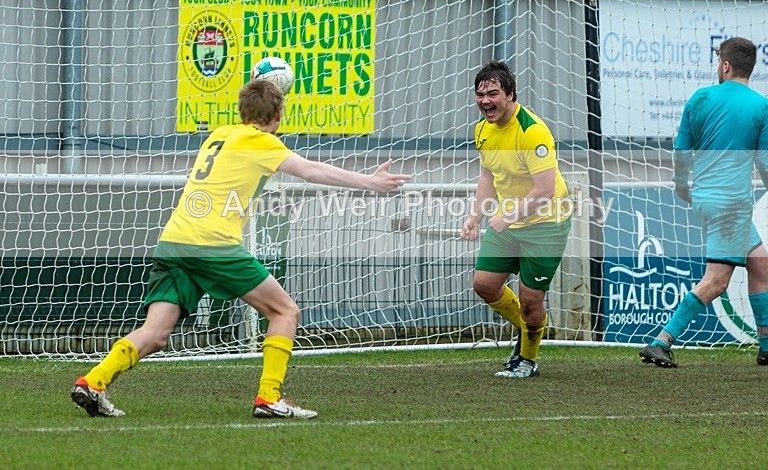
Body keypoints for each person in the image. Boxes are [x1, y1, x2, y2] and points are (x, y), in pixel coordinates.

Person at [71, 79, 411, 418]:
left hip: (174, 241)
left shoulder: (219, 134)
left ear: (241, 110)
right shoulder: (263, 142)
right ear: (279, 114)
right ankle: (269, 398)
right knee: (285, 312)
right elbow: (310, 170)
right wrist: (370, 182)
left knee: (156, 332)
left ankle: (94, 381)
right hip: (211, 244)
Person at [639, 36, 768, 368]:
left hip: (708, 199)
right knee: (716, 280)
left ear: (725, 66)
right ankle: (661, 342)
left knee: (761, 263)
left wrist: (681, 185)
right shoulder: (762, 107)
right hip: (732, 204)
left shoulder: (700, 98)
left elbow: (680, 151)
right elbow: (766, 163)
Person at [460, 61, 572, 378]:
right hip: (508, 221)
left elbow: (546, 190)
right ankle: (527, 328)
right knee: (484, 284)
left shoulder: (532, 131)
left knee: (531, 302)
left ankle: (527, 359)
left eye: (493, 93)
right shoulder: (482, 129)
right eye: (480, 94)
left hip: (546, 224)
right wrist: (474, 217)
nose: (485, 101)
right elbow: (488, 176)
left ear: (510, 94)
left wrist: (508, 216)